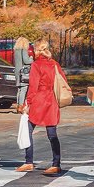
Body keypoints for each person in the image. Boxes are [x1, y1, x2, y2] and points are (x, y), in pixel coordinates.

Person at [16, 39, 64, 175]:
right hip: (52, 100)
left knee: (28, 129)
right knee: (52, 133)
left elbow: (33, 86)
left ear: (36, 50)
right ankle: (56, 163)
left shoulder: (36, 65)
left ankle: (28, 161)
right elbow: (62, 80)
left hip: (39, 100)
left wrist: (27, 103)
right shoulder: (55, 64)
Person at [13, 36, 34, 111]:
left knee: (19, 89)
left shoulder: (16, 51)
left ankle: (18, 105)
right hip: (23, 73)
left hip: (17, 71)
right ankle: (21, 106)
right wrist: (31, 58)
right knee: (24, 89)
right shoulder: (24, 50)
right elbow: (26, 61)